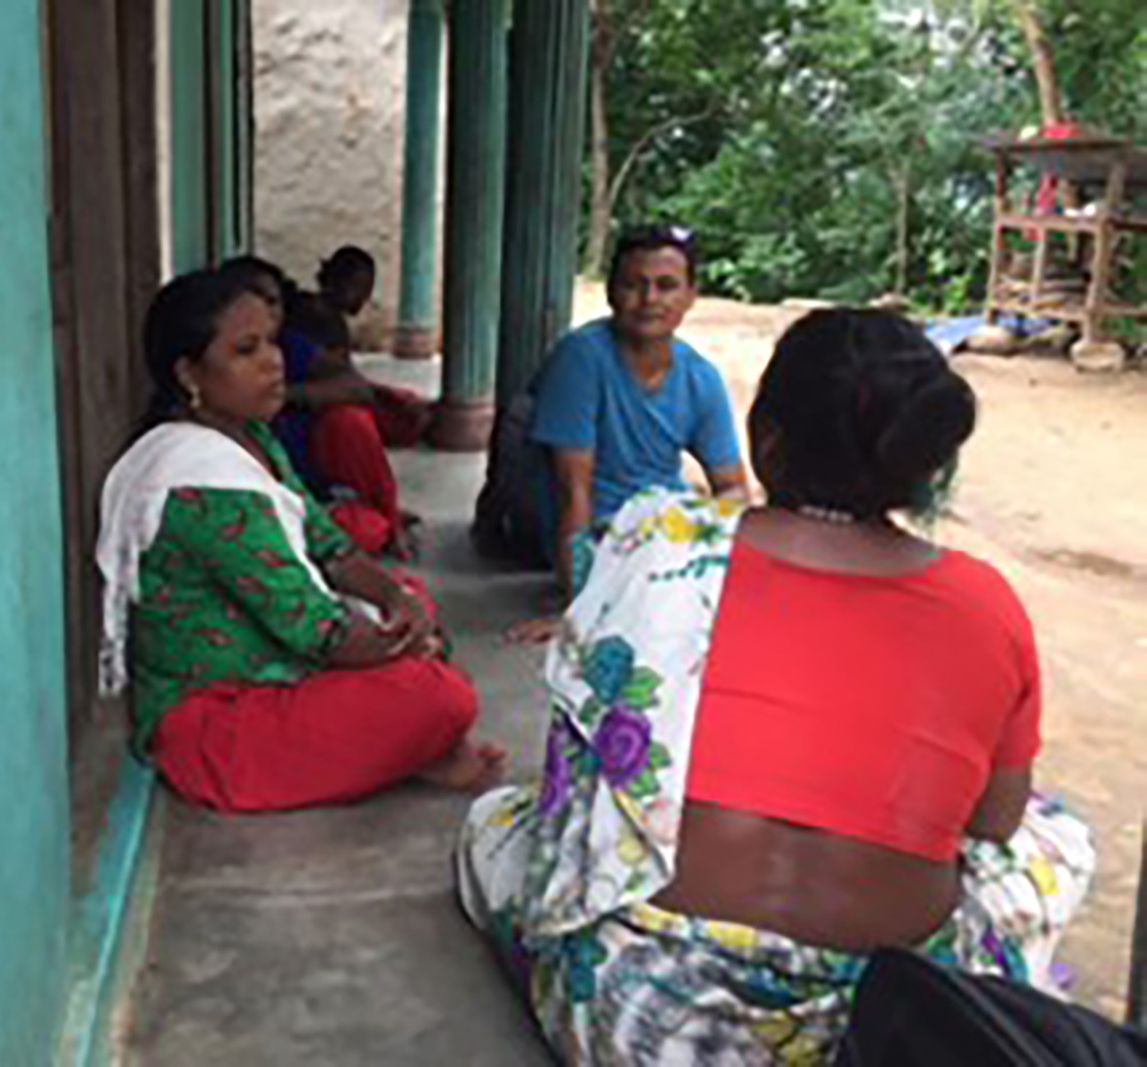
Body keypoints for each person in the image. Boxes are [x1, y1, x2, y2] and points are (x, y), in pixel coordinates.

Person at [456, 308, 1094, 1065]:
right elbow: (994, 821)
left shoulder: (654, 541)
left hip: (645, 1021)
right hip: (896, 1022)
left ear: (764, 435)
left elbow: (583, 783)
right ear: (923, 462)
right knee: (1053, 836)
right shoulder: (985, 602)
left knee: (498, 823)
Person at [97, 269, 505, 813]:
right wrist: (408, 643)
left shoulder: (250, 436)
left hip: (275, 670)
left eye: (270, 340)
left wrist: (395, 601)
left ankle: (408, 745)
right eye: (246, 350)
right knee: (444, 695)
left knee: (413, 602)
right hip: (216, 725)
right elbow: (319, 631)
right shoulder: (203, 486)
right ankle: (412, 745)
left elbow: (330, 546)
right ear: (189, 373)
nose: (274, 360)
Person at [480, 225, 748, 641]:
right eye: (633, 285)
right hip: (597, 532)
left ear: (691, 295)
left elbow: (732, 488)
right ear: (610, 292)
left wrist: (710, 536)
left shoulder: (700, 377)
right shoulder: (582, 358)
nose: (650, 300)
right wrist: (581, 611)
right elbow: (574, 491)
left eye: (666, 286)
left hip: (661, 529)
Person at [220, 255, 423, 558]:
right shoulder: (213, 377)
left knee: (353, 424)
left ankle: (380, 516)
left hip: (306, 488)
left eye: (273, 302)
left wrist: (283, 395)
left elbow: (352, 385)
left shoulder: (289, 345)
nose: (264, 313)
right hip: (252, 506)